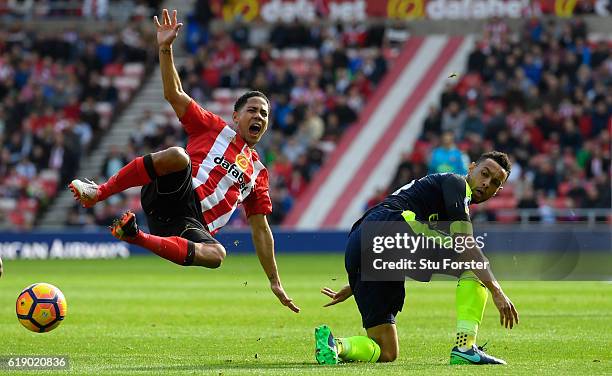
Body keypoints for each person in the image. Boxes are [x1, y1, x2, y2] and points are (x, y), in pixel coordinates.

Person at [69, 9, 299, 314]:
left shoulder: (259, 173)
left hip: (192, 225)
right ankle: (98, 193)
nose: (258, 116)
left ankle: (135, 236)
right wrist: (165, 47)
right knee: (178, 155)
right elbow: (173, 93)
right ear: (236, 116)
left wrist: (275, 280)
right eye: (252, 110)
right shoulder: (212, 127)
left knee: (217, 255)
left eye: (264, 114)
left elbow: (260, 229)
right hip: (172, 194)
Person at [315, 151, 519, 365]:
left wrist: (356, 282)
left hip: (362, 238)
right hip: (393, 225)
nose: (486, 183)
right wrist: (497, 291)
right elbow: (464, 245)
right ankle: (465, 347)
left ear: (499, 190)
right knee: (475, 264)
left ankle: (335, 346)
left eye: (495, 182)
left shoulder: (445, 198)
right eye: (484, 173)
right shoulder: (456, 183)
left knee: (386, 351)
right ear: (471, 168)